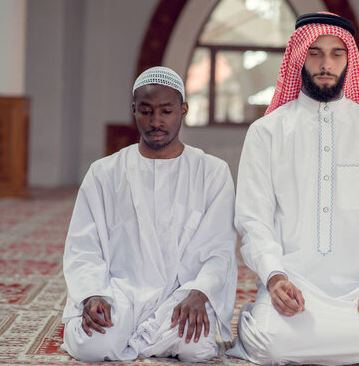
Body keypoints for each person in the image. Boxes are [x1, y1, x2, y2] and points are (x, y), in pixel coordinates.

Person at [227, 13, 359, 365]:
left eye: (336, 54)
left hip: (358, 290)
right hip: (291, 287)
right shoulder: (267, 133)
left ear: (350, 61)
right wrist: (274, 276)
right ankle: (266, 312)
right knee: (274, 344)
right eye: (315, 53)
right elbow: (253, 219)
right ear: (299, 57)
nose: (325, 63)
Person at [61, 66, 237, 362]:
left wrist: (200, 293)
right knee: (91, 347)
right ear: (134, 111)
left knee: (196, 350)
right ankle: (136, 333)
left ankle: (138, 335)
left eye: (166, 111)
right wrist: (92, 294)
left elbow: (220, 249)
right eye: (146, 111)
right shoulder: (104, 172)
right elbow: (83, 246)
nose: (156, 121)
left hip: (182, 295)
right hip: (119, 291)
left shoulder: (212, 172)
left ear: (183, 110)